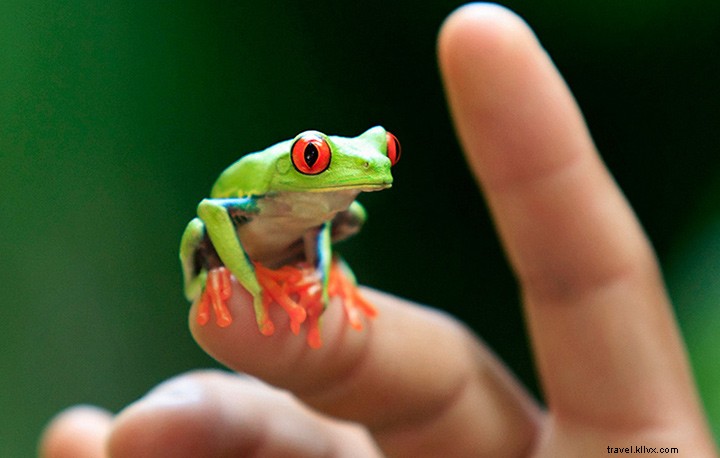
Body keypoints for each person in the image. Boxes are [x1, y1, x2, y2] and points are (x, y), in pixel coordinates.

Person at [39, 4, 717, 457]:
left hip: (300, 243)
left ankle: (318, 281)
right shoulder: (268, 190)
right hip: (235, 238)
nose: (368, 166)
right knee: (201, 234)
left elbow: (331, 222)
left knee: (344, 221)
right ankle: (228, 284)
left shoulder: (341, 209)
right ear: (300, 163)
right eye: (315, 159)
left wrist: (324, 274)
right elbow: (215, 214)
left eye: (383, 152)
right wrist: (243, 277)